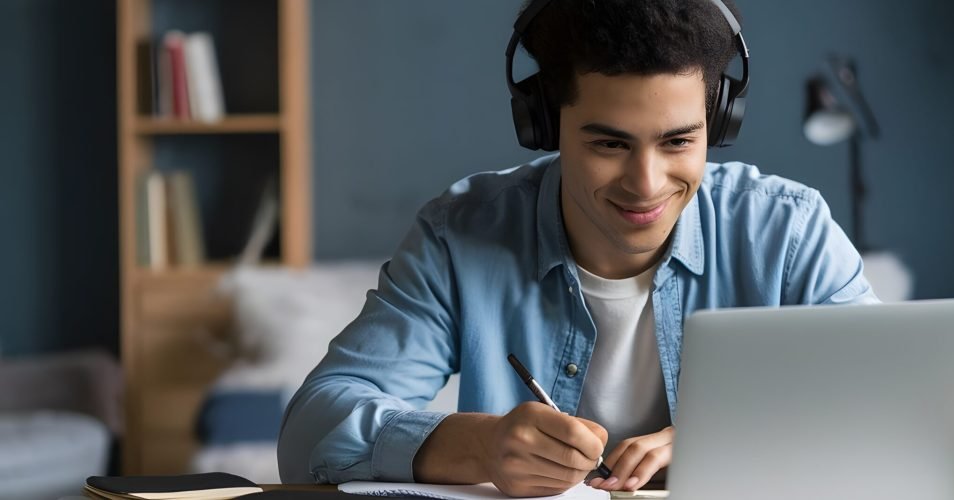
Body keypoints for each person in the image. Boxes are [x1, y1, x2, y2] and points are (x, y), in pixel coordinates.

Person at [278, 0, 878, 496]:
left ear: (717, 123)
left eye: (677, 141)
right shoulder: (460, 235)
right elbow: (312, 431)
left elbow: (894, 407)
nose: (646, 183)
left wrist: (731, 439)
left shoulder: (788, 230)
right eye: (609, 145)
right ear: (544, 125)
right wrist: (481, 448)